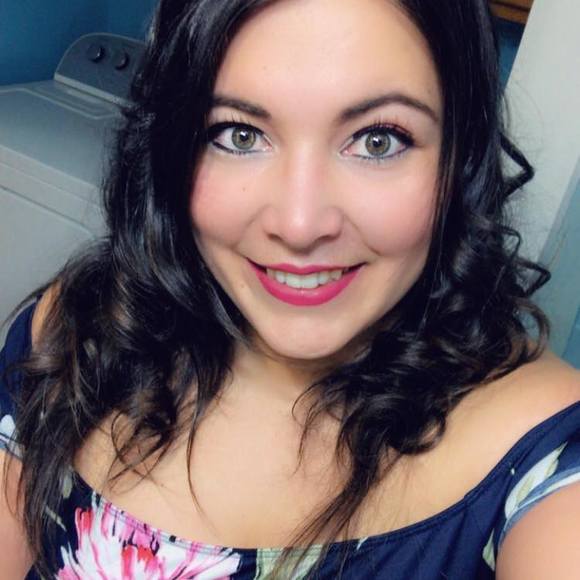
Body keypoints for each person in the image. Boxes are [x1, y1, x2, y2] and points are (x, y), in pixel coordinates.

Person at [2, 0, 580, 578]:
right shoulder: (77, 331)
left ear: (460, 157)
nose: (300, 226)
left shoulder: (543, 459)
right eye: (238, 135)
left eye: (378, 141)